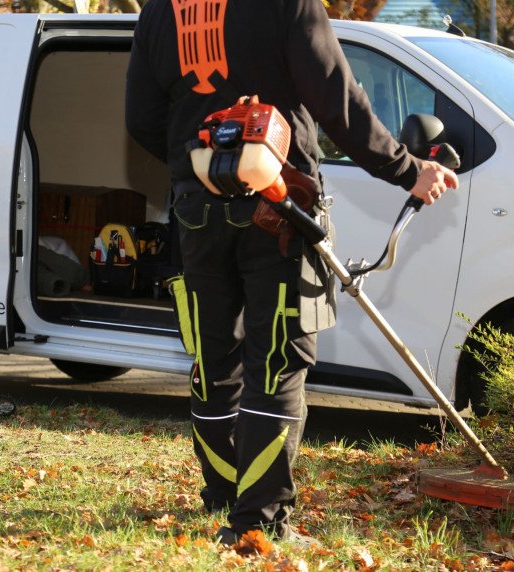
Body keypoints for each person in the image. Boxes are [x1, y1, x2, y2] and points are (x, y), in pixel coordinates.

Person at [125, 0, 458, 544]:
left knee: (214, 357)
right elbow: (336, 99)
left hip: (196, 211)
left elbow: (141, 119)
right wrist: (408, 168)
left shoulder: (161, 9)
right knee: (277, 358)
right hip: (278, 210)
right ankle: (257, 522)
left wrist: (205, 158)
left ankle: (225, 494)